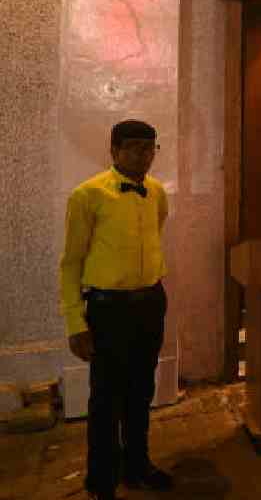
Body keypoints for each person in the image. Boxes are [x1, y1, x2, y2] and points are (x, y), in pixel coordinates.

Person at [60, 120, 173, 500]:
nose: (144, 155)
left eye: (150, 148)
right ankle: (101, 480)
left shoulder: (157, 192)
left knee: (142, 391)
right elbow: (71, 263)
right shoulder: (87, 195)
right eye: (134, 147)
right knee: (106, 398)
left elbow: (155, 235)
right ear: (114, 150)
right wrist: (75, 322)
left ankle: (137, 465)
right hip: (109, 310)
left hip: (151, 302)